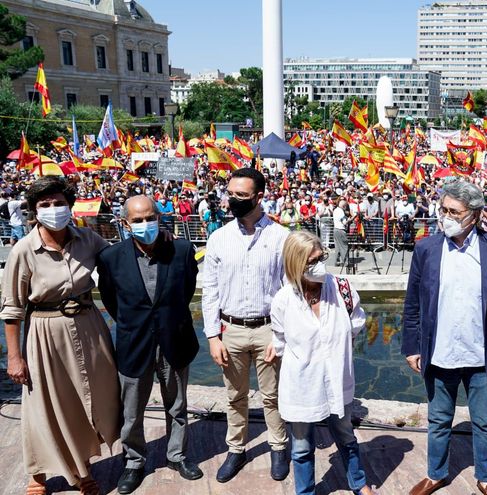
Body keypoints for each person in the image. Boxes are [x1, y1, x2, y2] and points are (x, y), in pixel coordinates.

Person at [1, 176, 120, 495]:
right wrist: (15, 357)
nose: (53, 209)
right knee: (43, 405)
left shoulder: (88, 239)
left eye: (59, 203)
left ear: (70, 206)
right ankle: (37, 475)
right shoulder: (24, 250)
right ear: (34, 210)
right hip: (44, 332)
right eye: (45, 204)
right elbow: (12, 309)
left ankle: (84, 470)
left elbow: (116, 267)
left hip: (89, 326)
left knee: (89, 399)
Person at [402, 178, 487, 495]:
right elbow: (412, 303)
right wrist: (412, 347)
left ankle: (486, 477)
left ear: (474, 216)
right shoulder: (426, 248)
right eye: (443, 209)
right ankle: (436, 474)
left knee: (485, 421)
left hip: (481, 353)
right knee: (439, 420)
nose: (446, 216)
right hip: (439, 353)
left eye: (455, 211)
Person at [96, 195, 202, 494]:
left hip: (174, 339)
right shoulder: (111, 257)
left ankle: (176, 455)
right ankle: (134, 461)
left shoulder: (181, 250)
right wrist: (134, 324)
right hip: (134, 342)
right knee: (132, 411)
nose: (145, 225)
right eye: (138, 220)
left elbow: (187, 290)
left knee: (177, 406)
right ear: (125, 223)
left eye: (149, 217)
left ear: (159, 216)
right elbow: (111, 300)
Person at [266, 231, 376, 495]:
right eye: (311, 261)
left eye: (321, 257)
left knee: (346, 436)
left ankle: (358, 483)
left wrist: (335, 346)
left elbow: (356, 322)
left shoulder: (341, 289)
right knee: (302, 447)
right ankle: (305, 492)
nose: (319, 265)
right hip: (302, 385)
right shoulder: (283, 301)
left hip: (338, 380)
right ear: (295, 264)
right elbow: (280, 338)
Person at [201, 167, 290, 483]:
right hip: (231, 330)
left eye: (241, 195)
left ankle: (279, 445)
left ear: (259, 196)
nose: (233, 200)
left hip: (269, 328)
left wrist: (280, 335)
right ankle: (236, 449)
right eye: (231, 193)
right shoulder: (219, 238)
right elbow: (210, 290)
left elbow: (289, 291)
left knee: (273, 395)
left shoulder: (281, 237)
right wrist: (213, 336)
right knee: (234, 396)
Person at [333, 197, 351, 266]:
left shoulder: (335, 210)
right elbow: (344, 222)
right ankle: (346, 262)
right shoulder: (341, 211)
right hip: (340, 229)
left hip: (335, 229)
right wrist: (349, 220)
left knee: (337, 247)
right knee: (344, 246)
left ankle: (337, 261)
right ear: (344, 206)